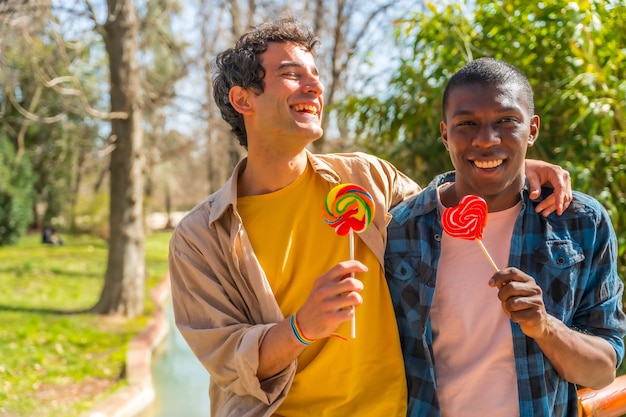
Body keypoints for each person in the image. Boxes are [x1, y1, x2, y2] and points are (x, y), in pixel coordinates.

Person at [168, 19, 572, 417]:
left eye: (315, 74)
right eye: (291, 75)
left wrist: (506, 167)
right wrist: (301, 327)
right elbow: (229, 362)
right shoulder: (200, 238)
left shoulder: (365, 178)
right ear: (243, 100)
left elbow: (443, 207)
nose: (315, 86)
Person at [385, 57, 626, 417]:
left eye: (506, 121)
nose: (486, 140)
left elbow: (603, 370)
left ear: (532, 129)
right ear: (445, 133)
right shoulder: (401, 231)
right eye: (467, 123)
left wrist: (544, 327)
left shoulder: (580, 224)